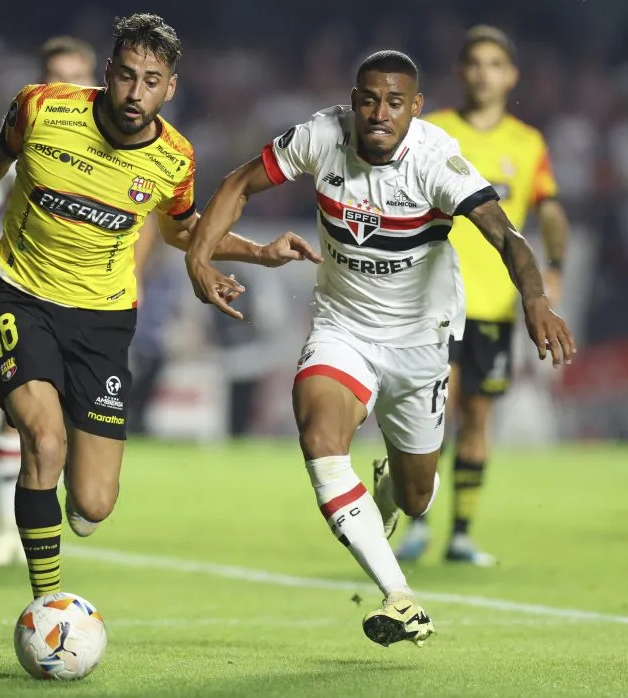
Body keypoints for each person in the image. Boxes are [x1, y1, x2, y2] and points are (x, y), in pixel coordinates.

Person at [0, 13, 319, 600]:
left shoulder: (175, 158)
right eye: (124, 75)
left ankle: (62, 452)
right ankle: (47, 605)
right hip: (21, 295)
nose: (134, 93)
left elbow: (182, 228)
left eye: (150, 80)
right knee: (42, 440)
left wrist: (256, 252)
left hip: (102, 323)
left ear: (170, 88)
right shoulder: (42, 109)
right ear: (107, 73)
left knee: (92, 506)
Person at [185, 50, 575, 648]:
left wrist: (537, 300)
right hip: (343, 328)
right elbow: (239, 183)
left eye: (395, 102)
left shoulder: (435, 159)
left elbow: (508, 236)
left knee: (417, 497)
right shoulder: (321, 135)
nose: (379, 112)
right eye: (369, 99)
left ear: (414, 108)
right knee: (319, 435)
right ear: (354, 98)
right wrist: (199, 255)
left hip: (421, 342)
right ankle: (401, 597)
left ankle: (392, 484)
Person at [0, 34, 164, 567]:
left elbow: (153, 221)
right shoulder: (35, 130)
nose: (72, 86)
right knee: (27, 423)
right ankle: (10, 529)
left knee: (88, 489)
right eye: (60, 76)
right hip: (27, 292)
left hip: (98, 306)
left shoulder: (141, 147)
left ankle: (76, 492)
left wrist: (131, 274)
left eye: (79, 76)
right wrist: (12, 252)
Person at [388, 26, 570, 566]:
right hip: (435, 302)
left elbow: (551, 208)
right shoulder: (431, 130)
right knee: (431, 414)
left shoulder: (528, 143)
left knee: (478, 418)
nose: (485, 73)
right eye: (476, 63)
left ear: (510, 76)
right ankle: (418, 522)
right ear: (461, 72)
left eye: (496, 63)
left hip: (493, 307)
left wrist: (554, 265)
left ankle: (461, 533)